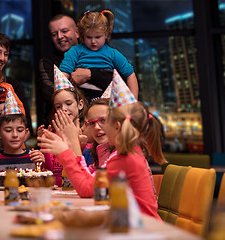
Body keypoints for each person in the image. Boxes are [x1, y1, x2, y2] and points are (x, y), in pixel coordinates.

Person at [38, 73, 165, 220]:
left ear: (116, 126)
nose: (98, 128)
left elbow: (85, 188)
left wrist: (68, 151)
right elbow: (90, 182)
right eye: (92, 123)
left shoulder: (124, 158)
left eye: (104, 121)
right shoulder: (126, 154)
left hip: (142, 228)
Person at [38, 14, 114, 124]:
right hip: (65, 125)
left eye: (64, 31)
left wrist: (89, 74)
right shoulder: (48, 62)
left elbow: (116, 81)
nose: (60, 36)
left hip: (102, 122)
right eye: (54, 34)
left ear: (77, 32)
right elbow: (48, 92)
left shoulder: (97, 54)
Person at [59, 10, 138, 99]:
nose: (93, 41)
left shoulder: (113, 54)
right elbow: (63, 75)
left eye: (97, 37)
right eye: (89, 37)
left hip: (106, 97)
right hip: (81, 97)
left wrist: (133, 101)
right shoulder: (74, 51)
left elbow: (130, 75)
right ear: (82, 35)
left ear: (106, 34)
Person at [39, 67, 88, 186]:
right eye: (58, 106)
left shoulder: (89, 134)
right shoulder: (54, 136)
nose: (64, 109)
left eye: (68, 103)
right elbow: (51, 172)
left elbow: (90, 169)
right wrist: (44, 148)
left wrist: (82, 146)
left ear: (80, 104)